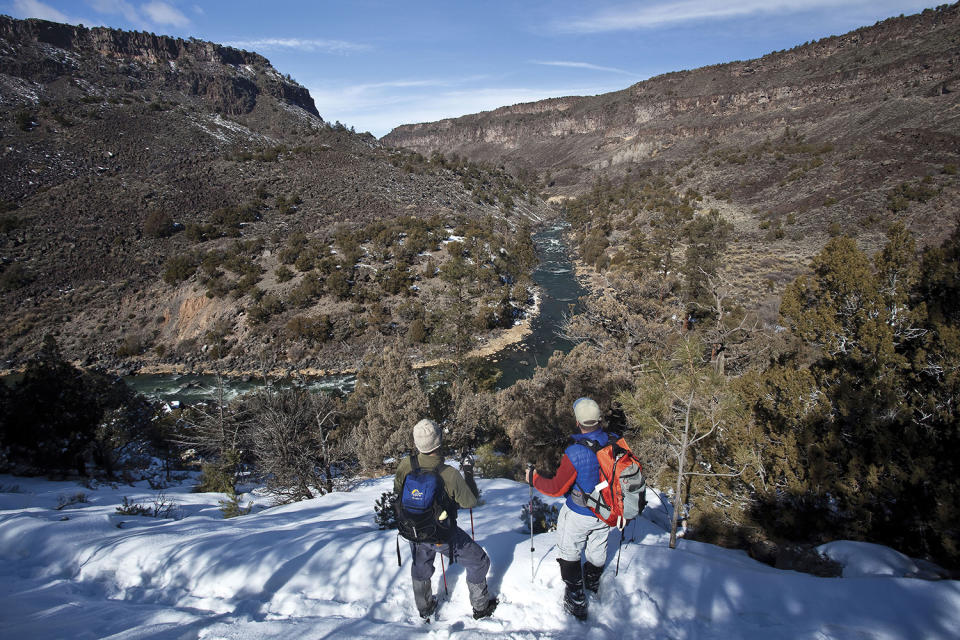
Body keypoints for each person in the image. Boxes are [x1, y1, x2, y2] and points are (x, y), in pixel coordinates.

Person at [394, 418, 498, 620]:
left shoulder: (405, 465)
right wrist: (467, 471)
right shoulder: (448, 473)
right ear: (439, 441)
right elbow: (470, 501)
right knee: (479, 562)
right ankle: (480, 607)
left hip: (413, 530)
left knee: (421, 565)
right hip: (441, 535)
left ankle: (424, 608)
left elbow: (398, 492)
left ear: (416, 443)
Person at [525, 397, 611, 620]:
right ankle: (591, 583)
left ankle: (576, 599)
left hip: (579, 513)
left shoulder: (575, 453)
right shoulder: (614, 442)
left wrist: (534, 478)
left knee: (569, 552)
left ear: (578, 422)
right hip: (606, 511)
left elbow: (556, 488)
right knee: (597, 550)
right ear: (599, 419)